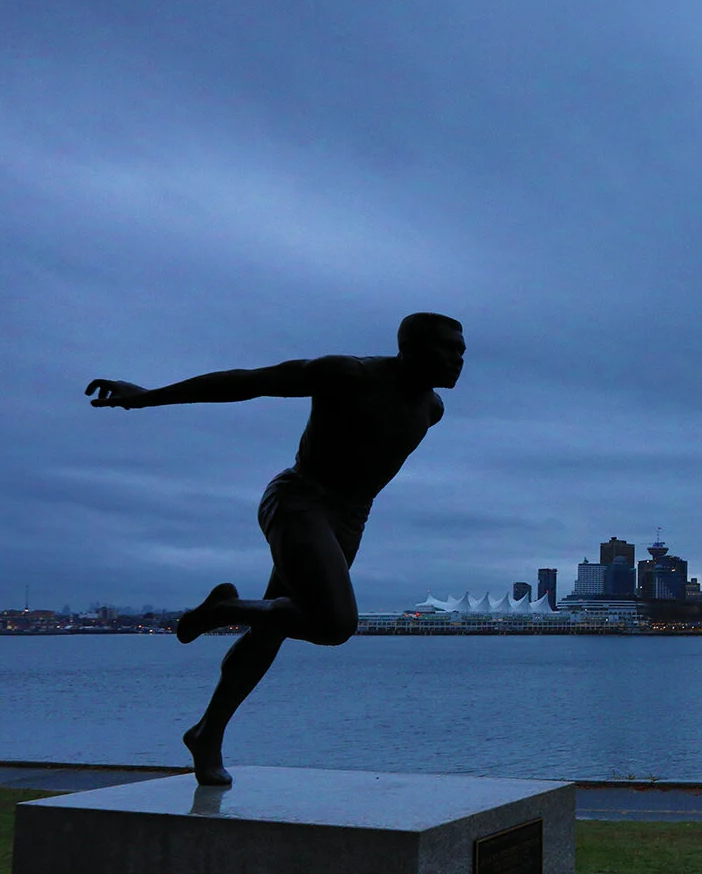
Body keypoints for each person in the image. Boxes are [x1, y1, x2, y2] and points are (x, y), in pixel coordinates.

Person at [86, 312, 465, 785]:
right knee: (334, 624)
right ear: (409, 348)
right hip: (299, 501)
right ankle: (226, 607)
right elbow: (247, 383)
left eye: (462, 351)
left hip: (349, 521)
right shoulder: (347, 374)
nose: (458, 360)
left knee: (270, 631)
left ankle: (207, 734)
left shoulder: (432, 409)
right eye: (448, 349)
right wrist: (147, 397)